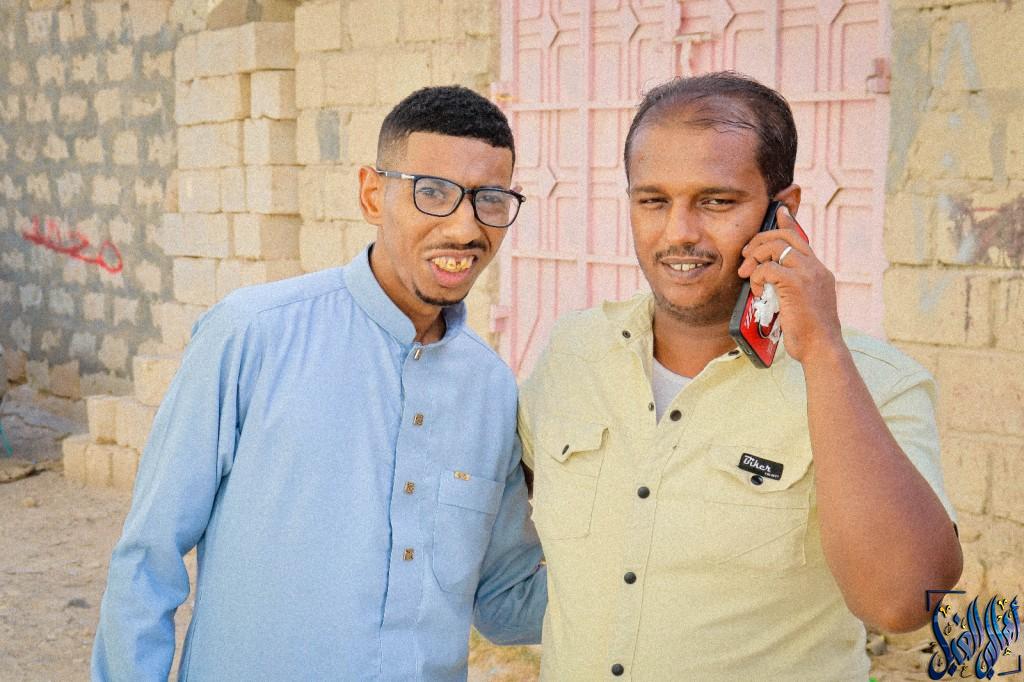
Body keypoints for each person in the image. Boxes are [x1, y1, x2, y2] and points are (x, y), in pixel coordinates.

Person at [518, 72, 962, 680]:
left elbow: (902, 603)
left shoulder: (876, 383)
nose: (679, 232)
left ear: (783, 212)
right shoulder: (575, 352)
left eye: (716, 202)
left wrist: (822, 352)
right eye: (653, 201)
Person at [93, 85, 546, 681]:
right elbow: (147, 560)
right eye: (433, 192)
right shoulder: (252, 335)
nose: (465, 227)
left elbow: (506, 601)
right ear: (371, 195)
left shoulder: (491, 390)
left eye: (490, 199)